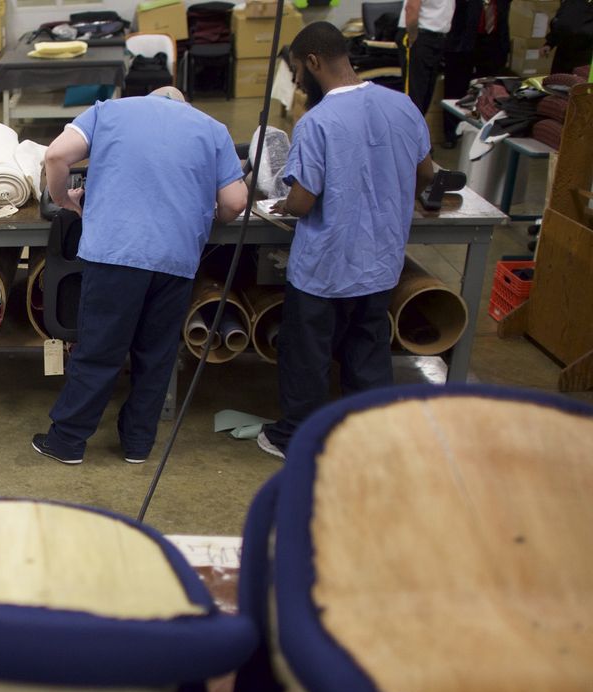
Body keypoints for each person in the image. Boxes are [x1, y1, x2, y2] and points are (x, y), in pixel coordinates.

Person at [31, 86, 247, 465]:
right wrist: (213, 217)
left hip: (115, 253)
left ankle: (67, 442)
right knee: (156, 355)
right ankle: (137, 445)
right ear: (184, 105)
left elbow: (56, 154)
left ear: (149, 98)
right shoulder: (212, 129)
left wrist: (65, 199)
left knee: (99, 350)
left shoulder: (108, 112)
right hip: (176, 258)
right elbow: (235, 202)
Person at [258, 23, 436, 460]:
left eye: (298, 71)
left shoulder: (317, 122)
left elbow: (303, 201)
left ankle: (298, 435)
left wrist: (281, 206)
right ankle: (369, 433)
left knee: (308, 354)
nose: (298, 82)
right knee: (368, 347)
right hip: (380, 261)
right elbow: (427, 175)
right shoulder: (402, 105)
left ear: (314, 62)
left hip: (326, 265)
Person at [442, 0, 511, 147]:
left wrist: (505, 48)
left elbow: (504, 19)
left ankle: (480, 130)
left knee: (488, 91)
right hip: (462, 44)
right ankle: (451, 134)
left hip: (492, 44)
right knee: (455, 89)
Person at [399, 0, 455, 114]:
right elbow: (412, 8)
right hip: (419, 36)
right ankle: (409, 131)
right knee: (414, 97)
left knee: (425, 97)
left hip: (437, 38)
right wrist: (413, 37)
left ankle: (418, 130)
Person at [542, 0, 593, 73]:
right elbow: (561, 22)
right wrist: (549, 43)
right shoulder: (569, 2)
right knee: (557, 81)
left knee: (576, 81)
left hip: (584, 54)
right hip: (563, 52)